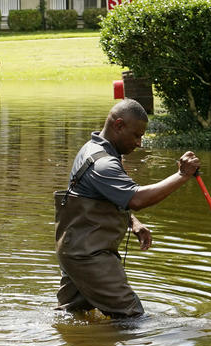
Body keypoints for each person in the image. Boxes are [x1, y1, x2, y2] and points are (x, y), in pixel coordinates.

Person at [54, 99, 201, 319]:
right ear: (119, 125)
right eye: (136, 135)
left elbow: (102, 198)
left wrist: (133, 223)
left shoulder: (92, 149)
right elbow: (137, 199)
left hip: (73, 250)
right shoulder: (102, 163)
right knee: (132, 317)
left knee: (72, 315)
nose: (139, 143)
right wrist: (182, 175)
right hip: (88, 255)